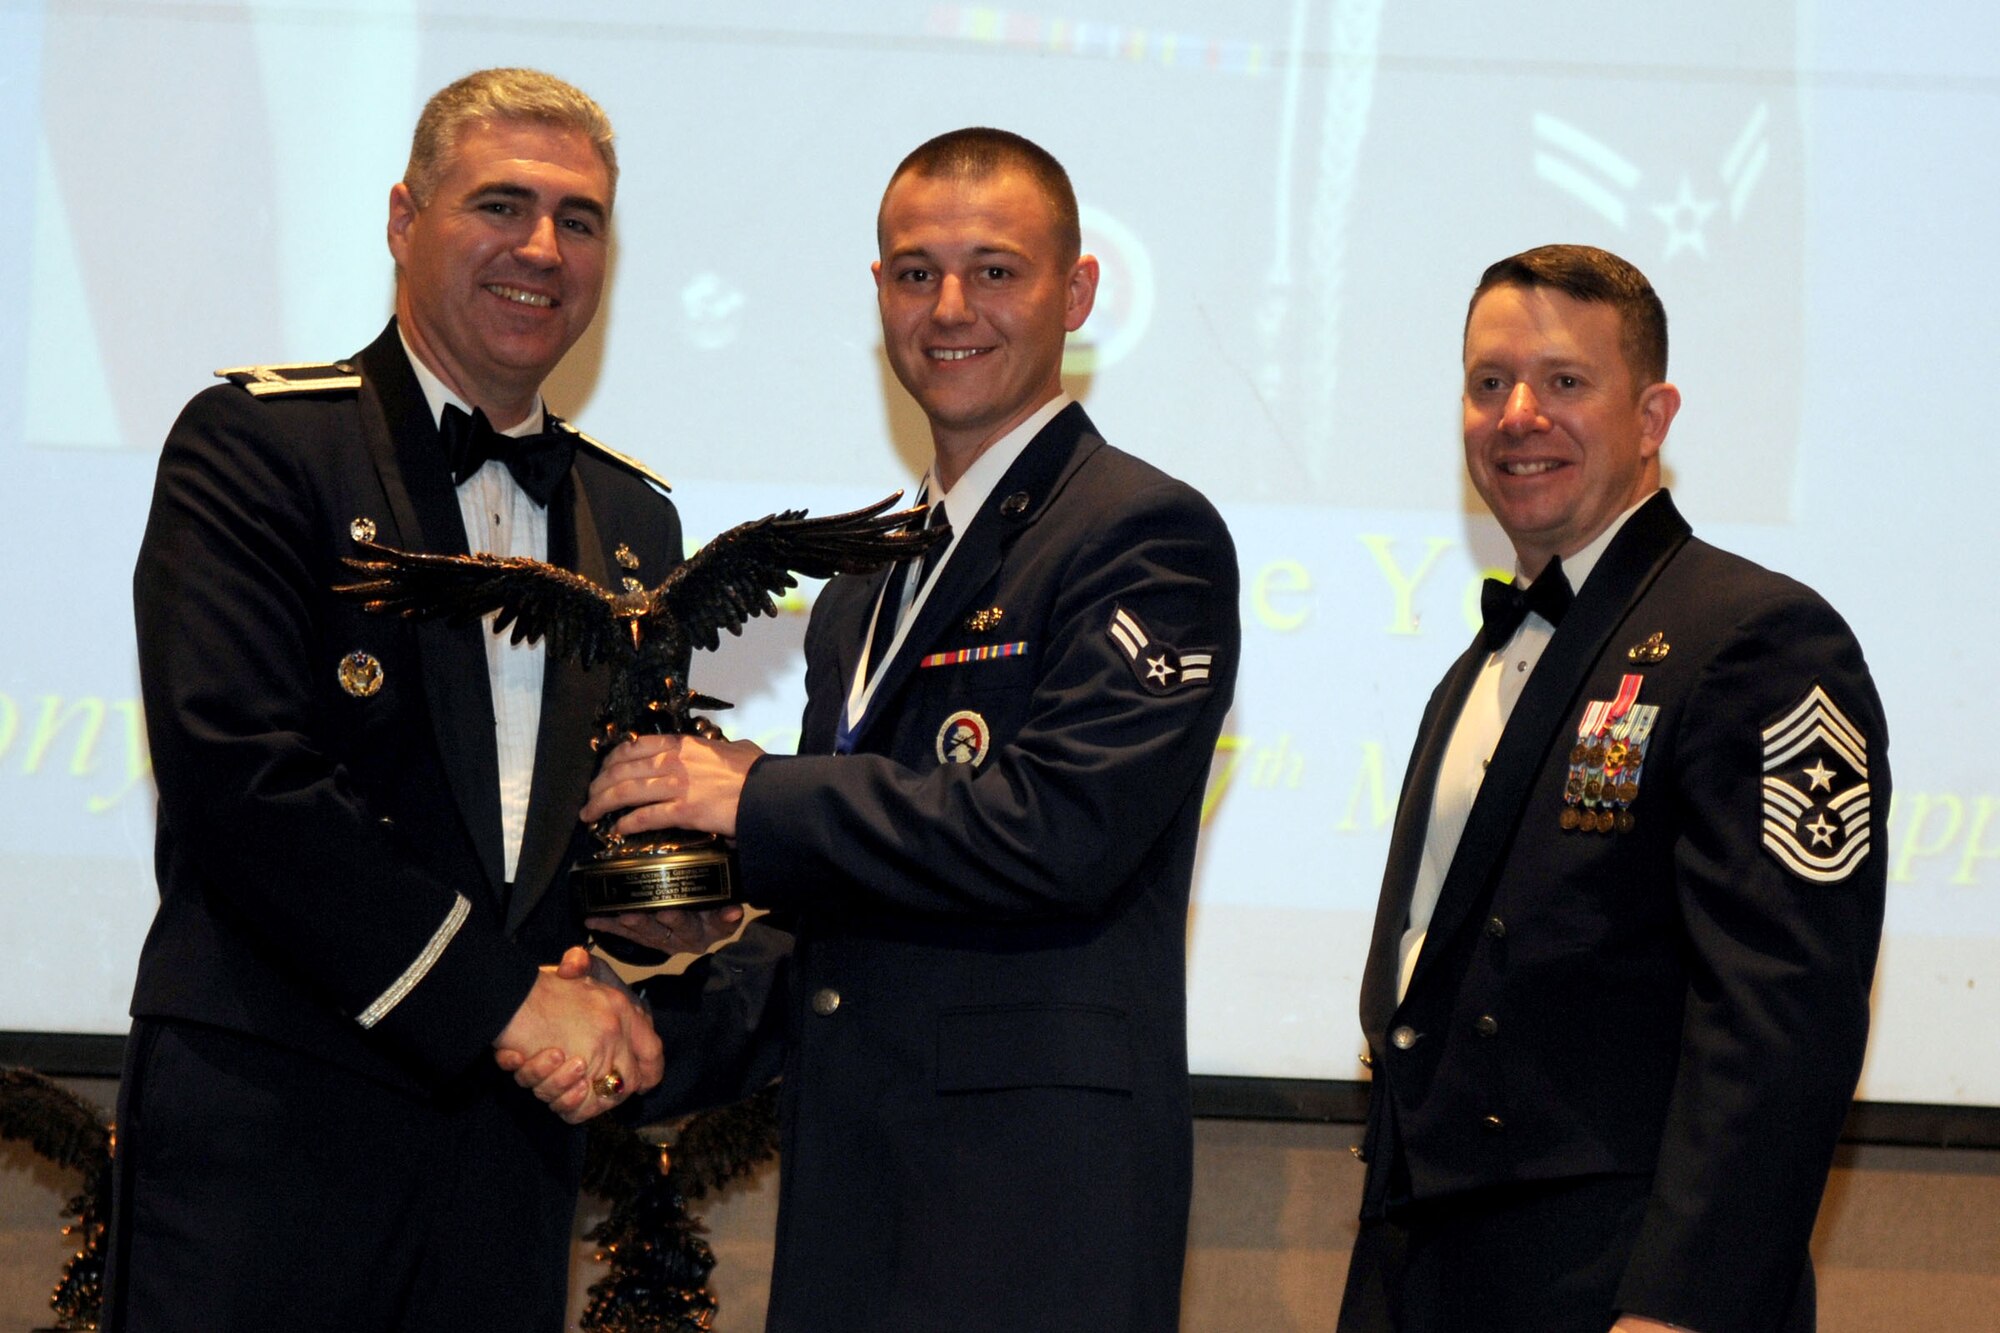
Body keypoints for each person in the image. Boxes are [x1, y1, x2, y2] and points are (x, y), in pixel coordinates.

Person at [524, 128, 1240, 1331]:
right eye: (916, 273)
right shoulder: (862, 588)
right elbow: (833, 920)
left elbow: (1061, 831)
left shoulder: (1140, 532)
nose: (949, 308)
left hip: (1034, 1221)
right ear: (878, 294)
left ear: (1075, 293)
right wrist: (642, 1036)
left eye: (994, 270)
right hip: (853, 1208)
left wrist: (751, 795)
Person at [108, 68, 677, 1332]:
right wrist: (505, 999)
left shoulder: (634, 519)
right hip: (273, 1137)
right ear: (402, 219)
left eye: (578, 219)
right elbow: (240, 778)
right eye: (500, 204)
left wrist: (658, 930)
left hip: (506, 1167)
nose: (541, 247)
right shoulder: (259, 445)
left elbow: (594, 840)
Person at [1337, 244, 1888, 1333]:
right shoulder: (1477, 669)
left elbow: (1780, 1016)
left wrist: (1684, 1306)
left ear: (1651, 418)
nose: (1518, 415)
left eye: (1565, 381)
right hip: (1430, 1275)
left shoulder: (1756, 637)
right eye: (1488, 382)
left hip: (1619, 1285)